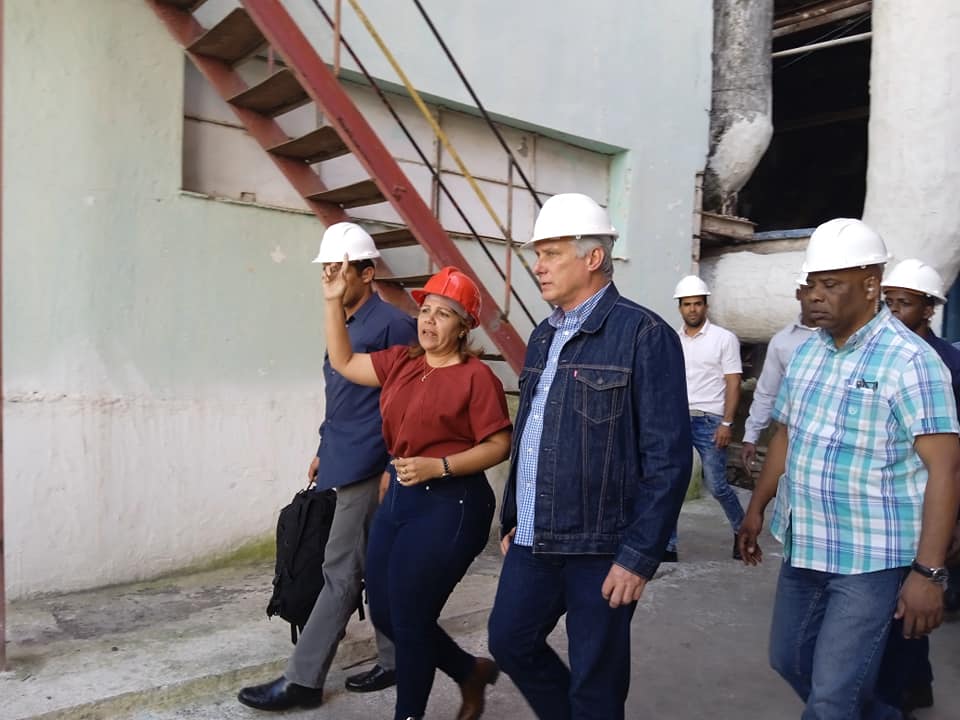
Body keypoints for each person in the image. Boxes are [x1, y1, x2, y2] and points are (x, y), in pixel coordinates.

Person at [738, 219, 960, 719]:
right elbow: (787, 435)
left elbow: (945, 470)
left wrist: (928, 573)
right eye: (811, 284)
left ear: (870, 283)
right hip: (807, 544)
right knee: (789, 659)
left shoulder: (912, 362)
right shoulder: (807, 355)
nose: (816, 296)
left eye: (831, 284)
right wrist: (756, 508)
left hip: (872, 558)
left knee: (832, 696)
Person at [487, 193, 692, 720]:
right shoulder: (542, 336)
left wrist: (639, 555)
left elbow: (667, 457)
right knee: (510, 641)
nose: (538, 265)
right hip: (534, 539)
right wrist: (514, 519)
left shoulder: (644, 335)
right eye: (539, 254)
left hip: (602, 546)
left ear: (593, 258)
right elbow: (532, 432)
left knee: (596, 685)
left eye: (552, 253)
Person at [237, 223, 415, 712]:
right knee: (375, 566)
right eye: (327, 267)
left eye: (340, 266)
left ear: (368, 270)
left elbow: (406, 404)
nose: (331, 274)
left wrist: (391, 467)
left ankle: (303, 680)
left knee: (339, 571)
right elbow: (343, 395)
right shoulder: (345, 320)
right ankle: (397, 658)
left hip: (369, 466)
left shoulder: (394, 325)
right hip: (342, 456)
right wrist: (323, 442)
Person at [323, 262, 512, 720]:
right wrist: (332, 301)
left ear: (464, 325)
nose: (428, 320)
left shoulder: (476, 378)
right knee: (386, 613)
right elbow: (345, 361)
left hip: (454, 504)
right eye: (425, 310)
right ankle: (469, 671)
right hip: (404, 498)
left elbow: (499, 444)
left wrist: (439, 466)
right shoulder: (403, 362)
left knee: (408, 618)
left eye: (443, 313)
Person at [877, 258, 960, 714]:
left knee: (910, 604)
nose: (893, 312)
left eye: (904, 304)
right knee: (893, 608)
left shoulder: (948, 364)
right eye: (887, 302)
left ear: (929, 310)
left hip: (931, 501)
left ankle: (901, 694)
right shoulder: (879, 356)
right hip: (888, 500)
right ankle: (915, 684)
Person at [669, 275, 745, 561]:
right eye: (687, 304)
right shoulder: (673, 341)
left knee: (717, 485)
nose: (692, 309)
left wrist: (727, 422)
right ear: (680, 307)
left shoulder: (723, 339)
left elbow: (734, 382)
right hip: (677, 419)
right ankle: (669, 545)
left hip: (710, 421)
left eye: (697, 304)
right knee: (671, 483)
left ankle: (742, 530)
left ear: (706, 305)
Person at [740, 280, 817, 472]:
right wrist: (751, 436)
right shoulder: (783, 342)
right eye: (810, 289)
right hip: (790, 439)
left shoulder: (844, 339)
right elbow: (767, 393)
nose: (817, 297)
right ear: (799, 293)